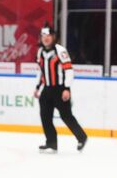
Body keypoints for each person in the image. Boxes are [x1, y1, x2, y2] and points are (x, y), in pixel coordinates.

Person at [34, 23, 88, 153]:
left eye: (48, 35)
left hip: (60, 89)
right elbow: (41, 71)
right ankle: (51, 142)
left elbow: (69, 70)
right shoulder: (40, 52)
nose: (46, 38)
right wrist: (37, 87)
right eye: (43, 36)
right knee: (45, 116)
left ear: (53, 37)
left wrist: (66, 88)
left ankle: (82, 137)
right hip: (46, 90)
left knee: (66, 116)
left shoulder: (60, 50)